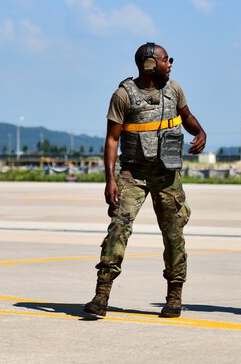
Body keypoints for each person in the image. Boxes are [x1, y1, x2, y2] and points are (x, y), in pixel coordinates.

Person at [83, 42, 207, 318]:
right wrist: (110, 180)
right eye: (166, 60)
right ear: (151, 65)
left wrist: (200, 132)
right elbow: (112, 139)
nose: (170, 63)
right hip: (133, 172)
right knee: (118, 227)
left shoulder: (173, 89)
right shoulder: (123, 95)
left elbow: (186, 117)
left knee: (174, 234)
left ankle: (174, 296)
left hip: (166, 174)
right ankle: (101, 295)